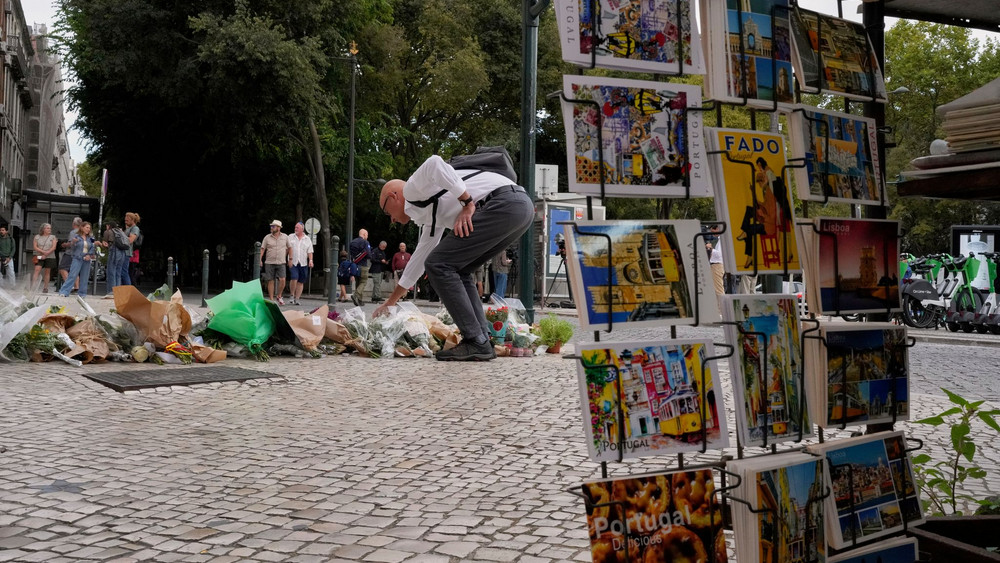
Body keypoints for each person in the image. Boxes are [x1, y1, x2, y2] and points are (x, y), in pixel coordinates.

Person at [374, 154, 534, 361]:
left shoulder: (412, 189)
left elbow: (433, 163)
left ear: (394, 196)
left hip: (502, 204)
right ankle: (482, 339)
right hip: (520, 208)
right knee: (459, 268)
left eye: (388, 213)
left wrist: (467, 203)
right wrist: (391, 302)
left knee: (439, 264)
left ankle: (475, 340)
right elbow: (418, 263)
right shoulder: (431, 214)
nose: (393, 220)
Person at [58, 222, 97, 298]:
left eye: (89, 228)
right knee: (72, 275)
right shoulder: (76, 236)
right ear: (82, 228)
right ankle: (64, 291)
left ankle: (82, 293)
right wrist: (73, 242)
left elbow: (92, 247)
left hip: (87, 258)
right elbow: (72, 248)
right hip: (77, 257)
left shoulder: (91, 238)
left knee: (85, 276)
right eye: (87, 227)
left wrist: (89, 255)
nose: (88, 229)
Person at [260, 219, 290, 304]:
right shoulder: (267, 237)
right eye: (271, 226)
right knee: (270, 280)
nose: (271, 227)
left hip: (281, 262)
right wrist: (260, 259)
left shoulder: (285, 237)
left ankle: (279, 295)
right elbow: (262, 249)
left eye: (273, 226)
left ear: (278, 228)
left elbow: (290, 248)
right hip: (269, 262)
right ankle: (271, 299)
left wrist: (289, 258)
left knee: (283, 279)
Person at [287, 221, 314, 306]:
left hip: (303, 263)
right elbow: (286, 249)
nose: (295, 229)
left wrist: (310, 260)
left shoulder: (307, 239)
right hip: (293, 261)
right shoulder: (290, 237)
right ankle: (292, 295)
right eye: (295, 227)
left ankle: (297, 298)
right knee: (294, 277)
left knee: (301, 281)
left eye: (297, 228)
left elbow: (310, 251)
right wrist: (287, 259)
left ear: (302, 229)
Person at [102, 221, 128, 297]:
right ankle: (117, 292)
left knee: (111, 271)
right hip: (122, 252)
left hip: (114, 252)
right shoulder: (120, 231)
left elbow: (105, 244)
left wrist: (101, 244)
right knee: (118, 273)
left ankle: (111, 292)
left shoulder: (108, 232)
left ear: (108, 225)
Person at [58, 217, 83, 293]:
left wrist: (64, 245)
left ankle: (69, 285)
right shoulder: (83, 232)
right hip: (79, 254)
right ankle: (77, 287)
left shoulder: (73, 232)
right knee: (75, 270)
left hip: (70, 253)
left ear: (74, 224)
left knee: (62, 268)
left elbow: (71, 244)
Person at [31, 223, 58, 293]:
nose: (49, 229)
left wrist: (46, 253)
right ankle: (33, 286)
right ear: (43, 229)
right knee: (37, 269)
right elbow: (35, 247)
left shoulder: (53, 237)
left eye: (50, 228)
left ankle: (45, 287)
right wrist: (43, 252)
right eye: (47, 228)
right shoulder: (37, 237)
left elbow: (54, 247)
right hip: (39, 255)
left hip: (50, 256)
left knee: (47, 271)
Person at [348, 228, 371, 306]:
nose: (367, 236)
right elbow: (368, 254)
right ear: (364, 234)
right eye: (367, 235)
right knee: (363, 282)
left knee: (358, 282)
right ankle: (355, 295)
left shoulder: (352, 242)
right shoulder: (365, 242)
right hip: (363, 265)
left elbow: (351, 254)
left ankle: (360, 300)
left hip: (355, 265)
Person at [123, 212, 142, 287]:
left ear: (132, 220)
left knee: (125, 272)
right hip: (124, 252)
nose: (125, 221)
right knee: (123, 272)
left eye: (127, 220)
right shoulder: (128, 228)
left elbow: (131, 240)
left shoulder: (135, 228)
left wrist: (121, 236)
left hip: (127, 253)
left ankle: (129, 289)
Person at [707, 226, 725, 296]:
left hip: (717, 265)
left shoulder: (722, 240)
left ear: (717, 228)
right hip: (716, 265)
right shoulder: (720, 240)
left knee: (718, 290)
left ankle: (722, 306)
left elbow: (720, 254)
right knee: (717, 289)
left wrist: (710, 249)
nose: (712, 234)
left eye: (712, 231)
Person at [0, 224, 14, 288]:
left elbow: (13, 248)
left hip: (9, 258)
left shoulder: (11, 239)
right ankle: (1, 286)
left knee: (11, 272)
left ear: (6, 231)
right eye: (0, 230)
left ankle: (12, 285)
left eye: (3, 230)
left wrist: (10, 257)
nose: (1, 231)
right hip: (0, 257)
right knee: (0, 273)